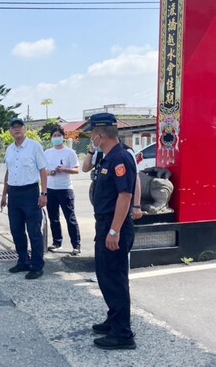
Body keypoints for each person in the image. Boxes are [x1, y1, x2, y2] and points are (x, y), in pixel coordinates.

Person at [87, 113, 137, 350]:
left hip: (114, 226)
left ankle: (122, 334)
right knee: (106, 276)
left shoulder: (120, 158)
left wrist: (114, 231)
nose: (91, 138)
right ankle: (114, 319)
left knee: (115, 279)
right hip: (105, 224)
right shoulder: (106, 157)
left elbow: (125, 195)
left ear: (99, 135)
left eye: (91, 134)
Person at [0, 118, 48, 280]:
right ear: (10, 131)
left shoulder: (35, 147)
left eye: (19, 127)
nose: (16, 130)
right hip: (14, 194)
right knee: (16, 230)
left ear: (24, 129)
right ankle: (23, 261)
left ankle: (37, 265)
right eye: (13, 128)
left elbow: (43, 170)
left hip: (30, 193)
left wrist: (44, 193)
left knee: (34, 231)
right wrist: (4, 193)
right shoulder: (9, 149)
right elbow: (8, 172)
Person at [44, 126, 82, 255]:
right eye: (54, 136)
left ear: (63, 137)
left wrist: (65, 169)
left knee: (70, 217)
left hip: (65, 189)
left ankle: (76, 245)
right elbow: (43, 170)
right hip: (50, 188)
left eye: (58, 135)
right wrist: (50, 172)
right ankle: (57, 242)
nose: (56, 138)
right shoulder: (47, 152)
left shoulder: (69, 152)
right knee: (53, 218)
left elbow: (76, 170)